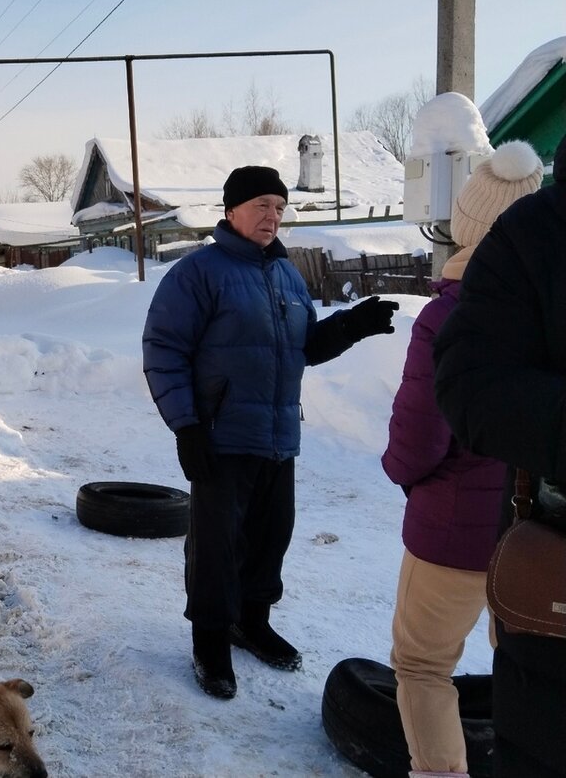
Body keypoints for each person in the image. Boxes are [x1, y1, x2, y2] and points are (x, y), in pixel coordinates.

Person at [143, 165, 399, 700]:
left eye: (280, 208)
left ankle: (251, 622)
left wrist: (352, 324)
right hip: (220, 435)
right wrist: (186, 426)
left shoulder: (286, 274)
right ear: (232, 210)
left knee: (270, 534)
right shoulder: (198, 273)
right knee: (216, 545)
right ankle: (210, 638)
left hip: (279, 434)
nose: (272, 216)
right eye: (262, 204)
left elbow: (304, 347)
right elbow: (164, 351)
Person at [382, 140, 543, 778]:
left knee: (422, 666)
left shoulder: (448, 317)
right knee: (531, 672)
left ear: (467, 224)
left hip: (455, 533)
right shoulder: (551, 309)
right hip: (541, 535)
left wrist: (402, 475)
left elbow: (417, 442)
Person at [434, 133, 566, 778]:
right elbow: (455, 398)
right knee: (425, 660)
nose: (275, 216)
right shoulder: (538, 235)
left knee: (428, 662)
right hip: (549, 590)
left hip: (479, 531)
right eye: (263, 203)